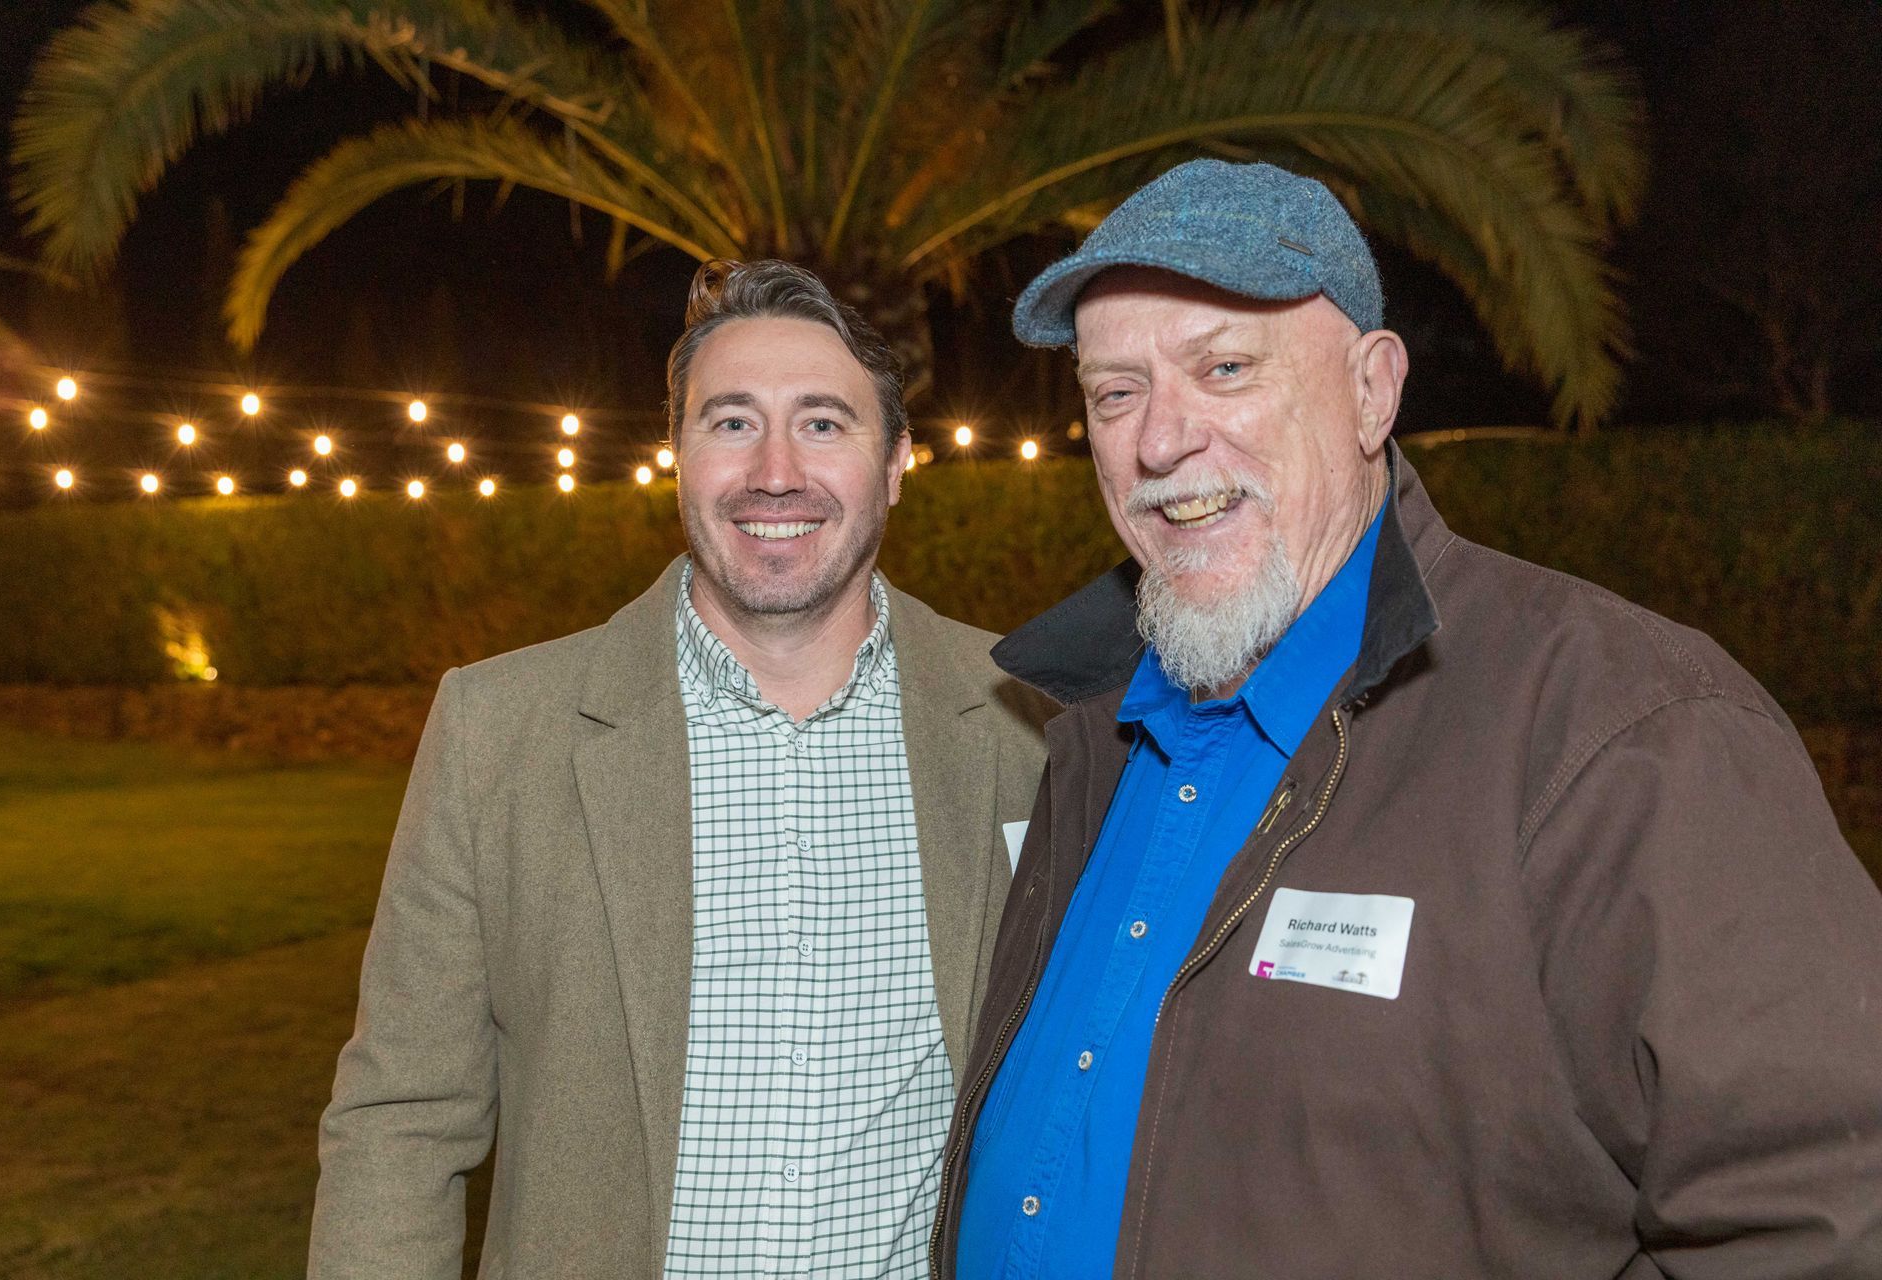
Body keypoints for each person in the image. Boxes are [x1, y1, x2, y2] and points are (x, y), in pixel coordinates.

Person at [937, 160, 1882, 1279]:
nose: (1159, 441)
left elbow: (1829, 1221)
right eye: (1114, 393)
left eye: (1225, 367)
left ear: (1375, 391)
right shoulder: (1091, 735)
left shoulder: (1622, 731)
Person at [309, 259, 1051, 1279]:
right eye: (732, 421)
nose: (776, 470)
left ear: (896, 464)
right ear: (676, 455)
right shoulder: (498, 731)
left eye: (826, 423)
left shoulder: (1037, 726)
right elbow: (402, 1118)